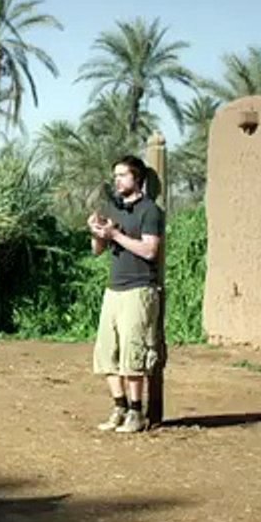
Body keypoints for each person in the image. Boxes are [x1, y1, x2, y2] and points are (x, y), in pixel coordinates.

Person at [88, 155, 165, 434]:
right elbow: (97, 251)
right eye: (115, 175)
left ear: (137, 179)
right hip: (114, 290)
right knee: (107, 353)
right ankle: (119, 407)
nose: (117, 180)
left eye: (123, 175)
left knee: (133, 353)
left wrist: (116, 236)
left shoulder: (150, 212)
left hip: (139, 289)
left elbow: (149, 250)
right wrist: (98, 233)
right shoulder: (112, 209)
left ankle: (136, 412)